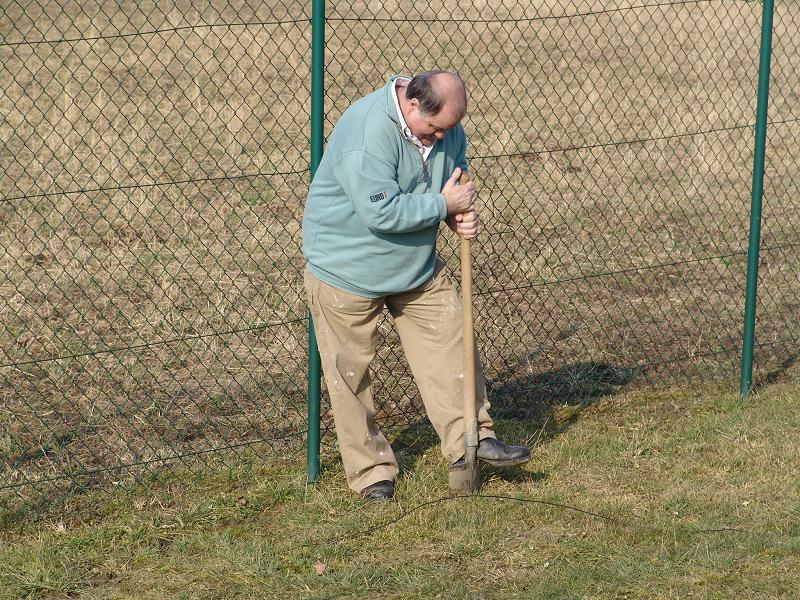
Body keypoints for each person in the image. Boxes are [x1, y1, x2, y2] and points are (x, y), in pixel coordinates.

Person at [302, 70, 530, 501]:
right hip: (346, 269)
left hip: (416, 268)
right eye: (437, 128)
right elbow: (381, 213)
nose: (444, 136)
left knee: (452, 343)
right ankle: (372, 474)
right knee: (350, 376)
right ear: (411, 106)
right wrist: (443, 205)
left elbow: (451, 181)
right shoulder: (367, 133)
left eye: (450, 127)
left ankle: (472, 441)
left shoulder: (445, 126)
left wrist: (454, 212)